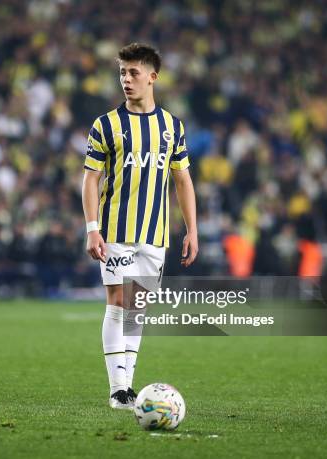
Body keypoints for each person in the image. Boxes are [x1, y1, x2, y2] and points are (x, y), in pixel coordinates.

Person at [81, 43, 198, 410]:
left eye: (133, 73)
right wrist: (92, 227)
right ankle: (117, 389)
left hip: (155, 234)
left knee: (138, 308)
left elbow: (183, 180)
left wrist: (192, 230)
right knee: (117, 303)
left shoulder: (172, 127)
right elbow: (90, 180)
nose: (126, 80)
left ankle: (128, 387)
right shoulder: (106, 124)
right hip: (115, 229)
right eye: (122, 73)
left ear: (153, 77)